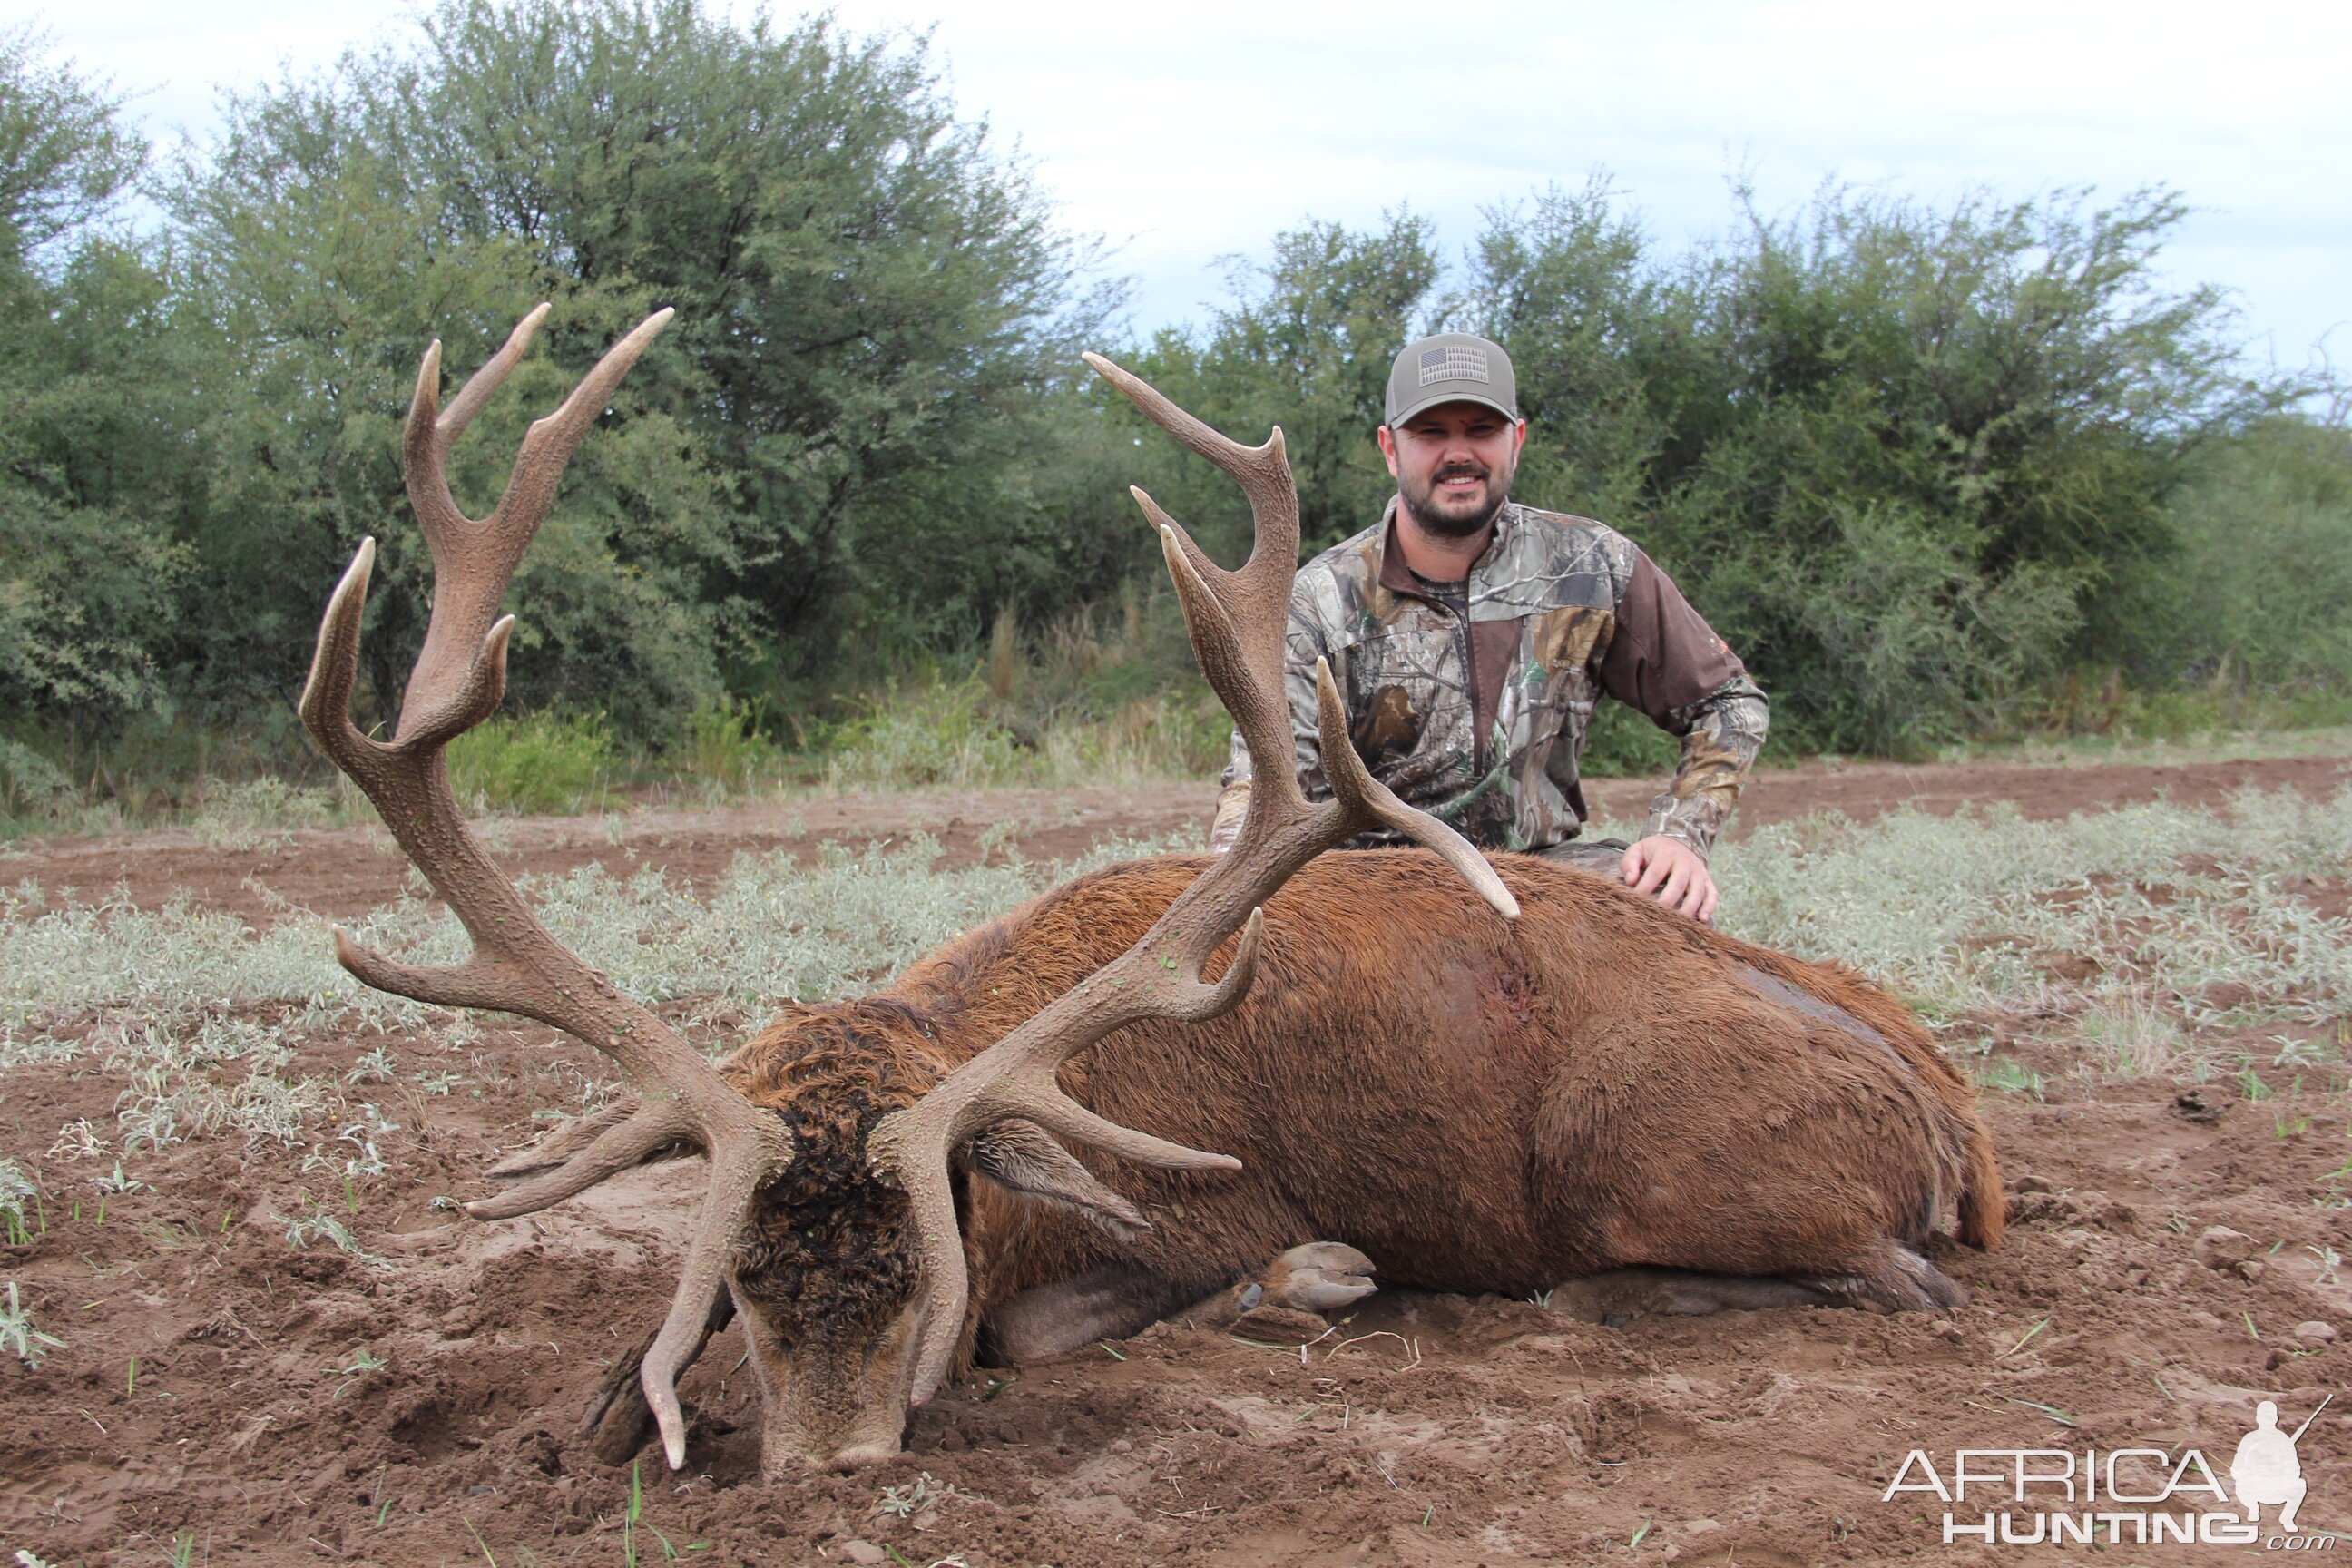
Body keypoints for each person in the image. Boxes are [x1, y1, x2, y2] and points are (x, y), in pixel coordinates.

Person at [1207, 332, 1767, 923]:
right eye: (1431, 433)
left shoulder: (1591, 565)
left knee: (1664, 906)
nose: (1458, 454)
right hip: (1371, 903)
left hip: (1546, 882)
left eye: (1480, 430)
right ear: (1390, 449)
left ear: (1516, 441)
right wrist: (1231, 878)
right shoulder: (1315, 602)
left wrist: (1680, 836)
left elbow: (1729, 703)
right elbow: (1259, 784)